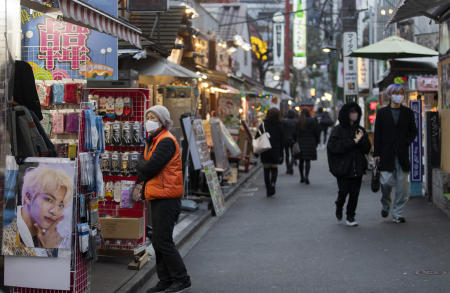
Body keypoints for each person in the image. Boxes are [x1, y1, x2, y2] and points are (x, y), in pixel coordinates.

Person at [137, 105, 191, 293]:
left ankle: (181, 279)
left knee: (164, 241)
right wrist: (142, 166)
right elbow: (146, 167)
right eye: (148, 116)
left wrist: (140, 163)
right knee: (159, 241)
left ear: (162, 121)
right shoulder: (154, 139)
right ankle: (166, 280)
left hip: (167, 197)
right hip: (158, 194)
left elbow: (149, 168)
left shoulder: (166, 141)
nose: (149, 120)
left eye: (154, 117)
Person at [3, 166, 73, 257]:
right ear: (28, 197)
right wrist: (49, 250)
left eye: (61, 205)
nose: (54, 211)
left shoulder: (45, 236)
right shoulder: (9, 237)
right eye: (48, 200)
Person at [373, 84, 417, 223]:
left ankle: (397, 213)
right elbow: (377, 134)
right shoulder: (382, 113)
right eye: (396, 93)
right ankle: (386, 203)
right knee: (385, 182)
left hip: (402, 154)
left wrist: (406, 142)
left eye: (401, 93)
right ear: (390, 95)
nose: (399, 96)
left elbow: (413, 131)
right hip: (386, 154)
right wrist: (376, 153)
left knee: (402, 187)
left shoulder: (408, 113)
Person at [327, 103, 371, 227]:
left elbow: (367, 147)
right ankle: (339, 204)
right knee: (344, 190)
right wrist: (354, 141)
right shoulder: (338, 130)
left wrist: (361, 141)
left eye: (356, 112)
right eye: (352, 112)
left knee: (355, 193)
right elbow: (334, 147)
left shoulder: (360, 129)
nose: (354, 114)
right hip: (343, 168)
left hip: (357, 166)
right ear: (347, 114)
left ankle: (350, 216)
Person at [256, 108, 284, 197]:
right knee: (274, 168)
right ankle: (273, 184)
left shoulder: (263, 125)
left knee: (266, 169)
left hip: (265, 149)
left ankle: (268, 187)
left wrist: (256, 152)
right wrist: (281, 153)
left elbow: (257, 137)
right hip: (276, 149)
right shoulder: (280, 125)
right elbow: (282, 141)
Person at [296, 108, 319, 184]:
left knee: (301, 161)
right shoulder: (312, 120)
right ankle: (306, 176)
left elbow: (296, 132)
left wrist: (295, 141)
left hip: (301, 142)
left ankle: (301, 177)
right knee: (308, 160)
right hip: (310, 142)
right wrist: (317, 141)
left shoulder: (299, 121)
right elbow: (316, 132)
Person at [282, 109, 297, 174]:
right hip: (293, 140)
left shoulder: (284, 121)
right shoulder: (296, 122)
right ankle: (291, 165)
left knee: (287, 154)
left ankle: (288, 168)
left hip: (285, 140)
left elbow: (282, 131)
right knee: (293, 154)